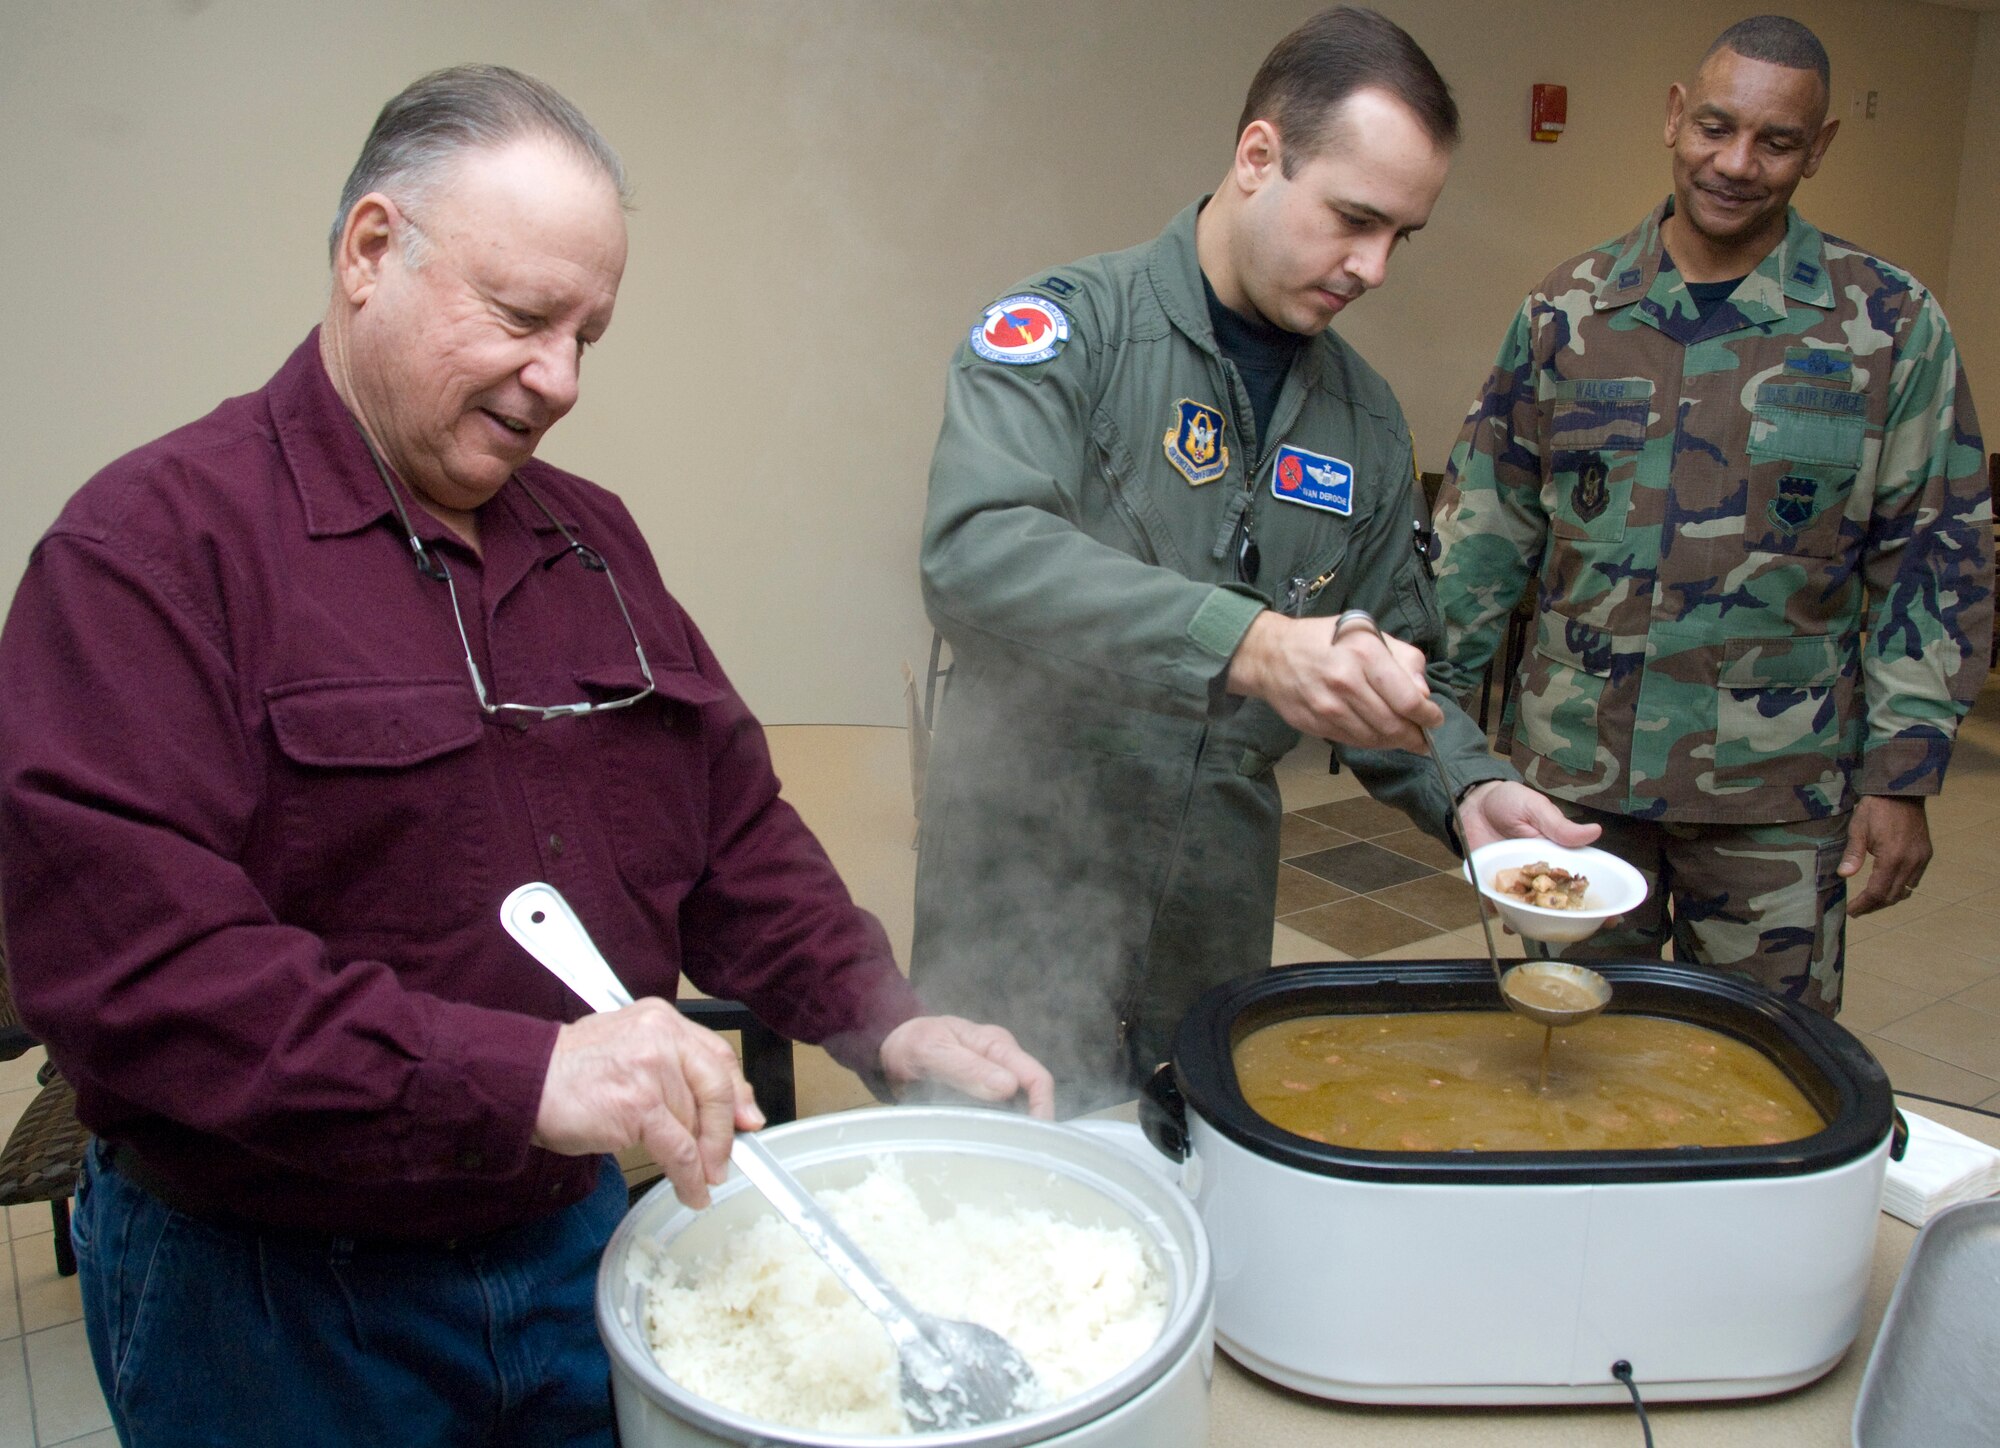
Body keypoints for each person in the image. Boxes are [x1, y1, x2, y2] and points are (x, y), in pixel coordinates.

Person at [0, 65, 1052, 1447]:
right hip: (272, 1299)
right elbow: (135, 974)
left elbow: (733, 838)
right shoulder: (147, 553)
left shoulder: (594, 544)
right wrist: (529, 1077)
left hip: (569, 1251)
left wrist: (886, 1015)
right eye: (520, 317)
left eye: (588, 335)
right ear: (372, 252)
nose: (558, 379)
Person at [911, 6, 1594, 1115]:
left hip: (1207, 928)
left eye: (1398, 236)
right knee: (991, 1231)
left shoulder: (1364, 423)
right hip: (1018, 898)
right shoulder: (1062, 337)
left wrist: (1466, 784)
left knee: (1192, 1214)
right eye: (1352, 219)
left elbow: (1393, 652)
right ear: (1256, 157)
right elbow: (975, 553)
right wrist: (1251, 641)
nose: (1371, 266)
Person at [1430, 15, 1992, 1014]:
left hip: (1774, 801)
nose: (1735, 163)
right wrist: (1435, 741)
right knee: (1560, 1058)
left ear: (1816, 149)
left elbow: (1931, 557)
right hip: (1574, 787)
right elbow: (1485, 530)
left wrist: (1901, 772)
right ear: (1673, 119)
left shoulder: (1887, 325)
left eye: (1774, 142)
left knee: (1760, 1070)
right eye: (1715, 128)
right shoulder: (1567, 310)